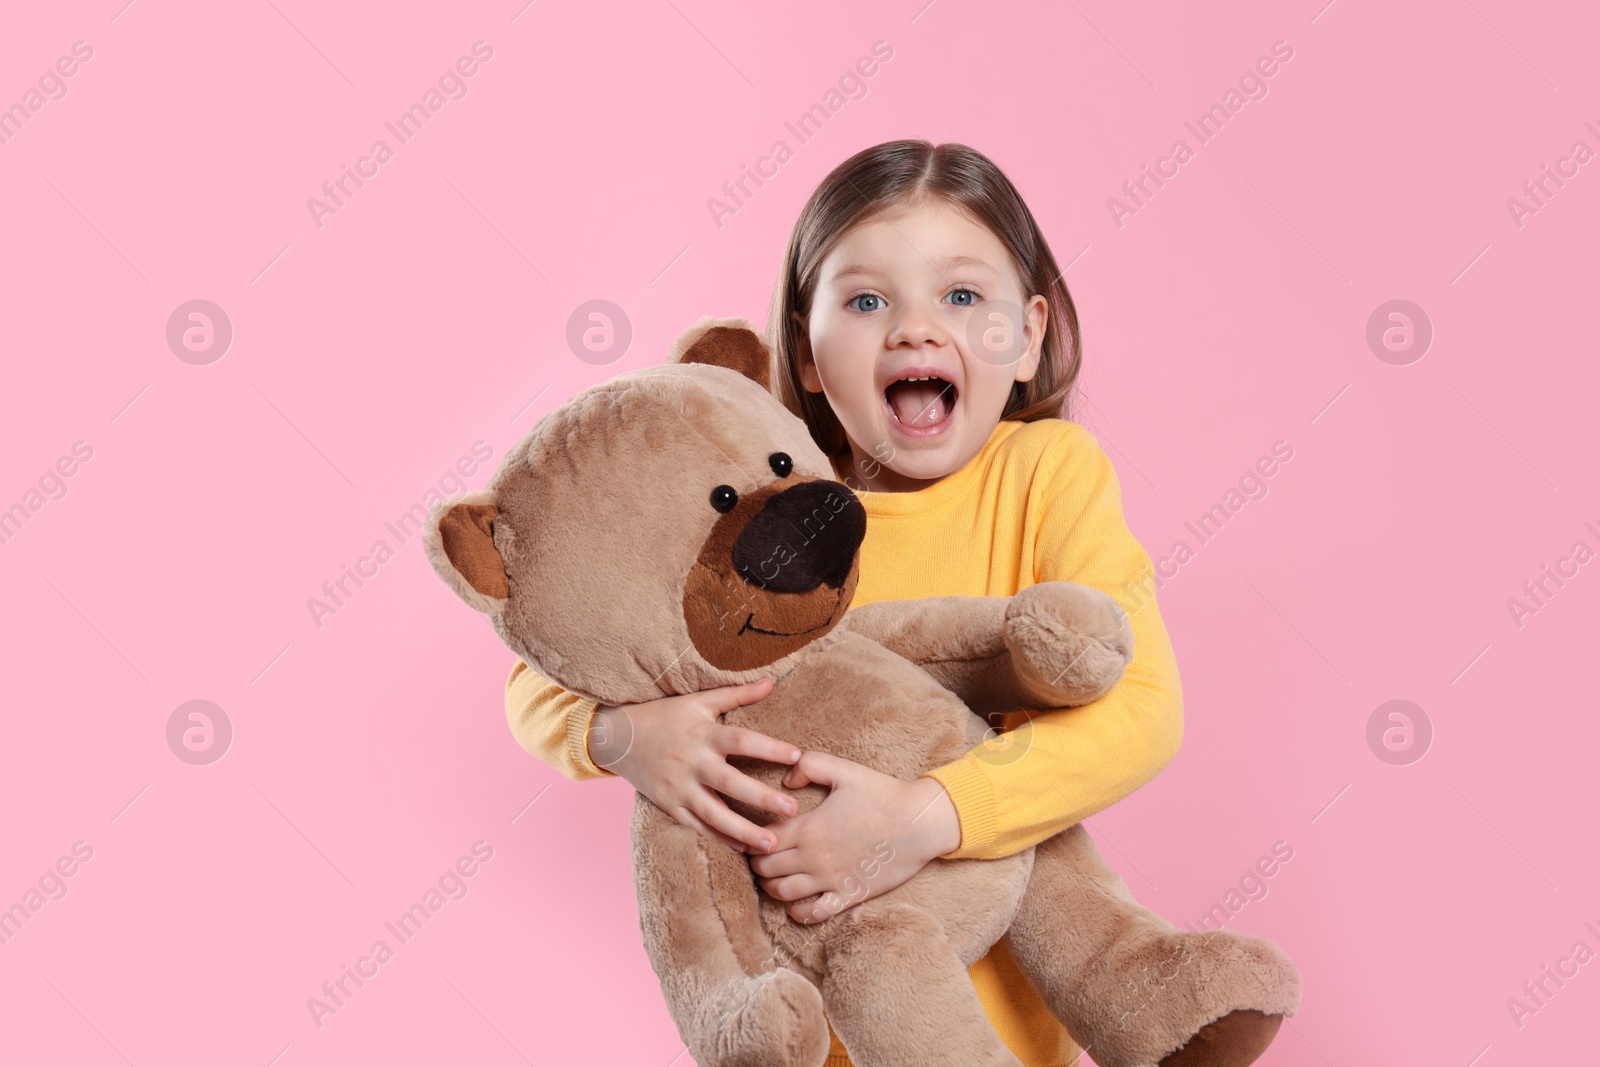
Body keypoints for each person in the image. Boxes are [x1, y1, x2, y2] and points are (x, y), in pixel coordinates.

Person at [505, 139, 1183, 1067]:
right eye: (867, 301)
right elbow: (538, 670)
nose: (914, 330)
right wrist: (629, 736)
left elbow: (1141, 709)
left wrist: (923, 815)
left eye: (961, 295)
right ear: (807, 353)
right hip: (815, 1026)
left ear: (1025, 337)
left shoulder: (1045, 474)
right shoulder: (756, 512)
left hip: (1004, 1032)